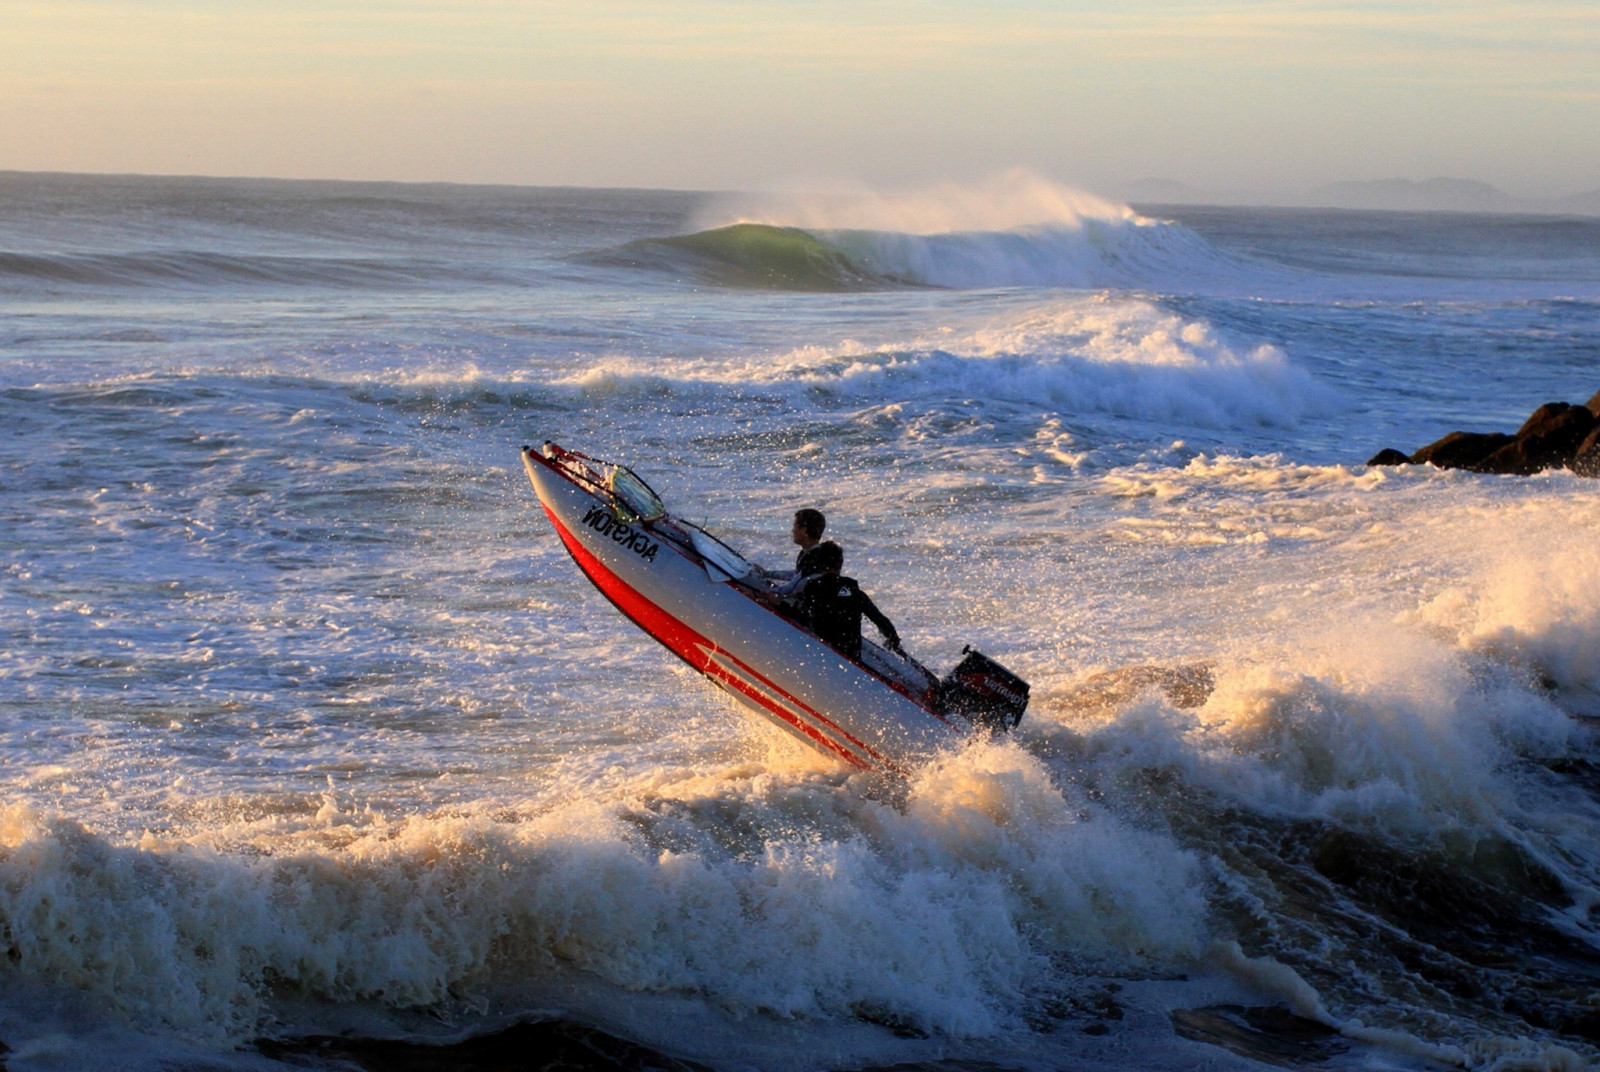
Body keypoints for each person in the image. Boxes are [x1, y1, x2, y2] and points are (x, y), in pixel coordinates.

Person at [796, 541, 902, 660]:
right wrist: (893, 641)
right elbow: (881, 620)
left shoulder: (811, 590)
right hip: (852, 658)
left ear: (818, 565)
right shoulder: (854, 592)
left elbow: (798, 615)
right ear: (840, 565)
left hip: (822, 655)